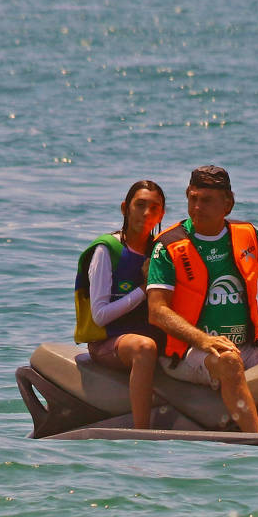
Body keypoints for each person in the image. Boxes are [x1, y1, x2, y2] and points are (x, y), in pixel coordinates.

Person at [146, 166, 258, 433]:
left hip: (245, 347)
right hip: (187, 353)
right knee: (229, 361)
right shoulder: (169, 245)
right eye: (193, 198)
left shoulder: (247, 234)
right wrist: (204, 340)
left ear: (228, 203)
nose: (197, 207)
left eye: (206, 200)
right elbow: (157, 311)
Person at [74, 180, 166, 429]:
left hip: (149, 332)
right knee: (144, 347)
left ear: (162, 214)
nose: (146, 213)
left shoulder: (160, 251)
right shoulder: (108, 250)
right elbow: (100, 315)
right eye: (140, 205)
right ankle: (142, 432)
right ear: (125, 208)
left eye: (154, 208)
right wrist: (144, 290)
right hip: (108, 340)